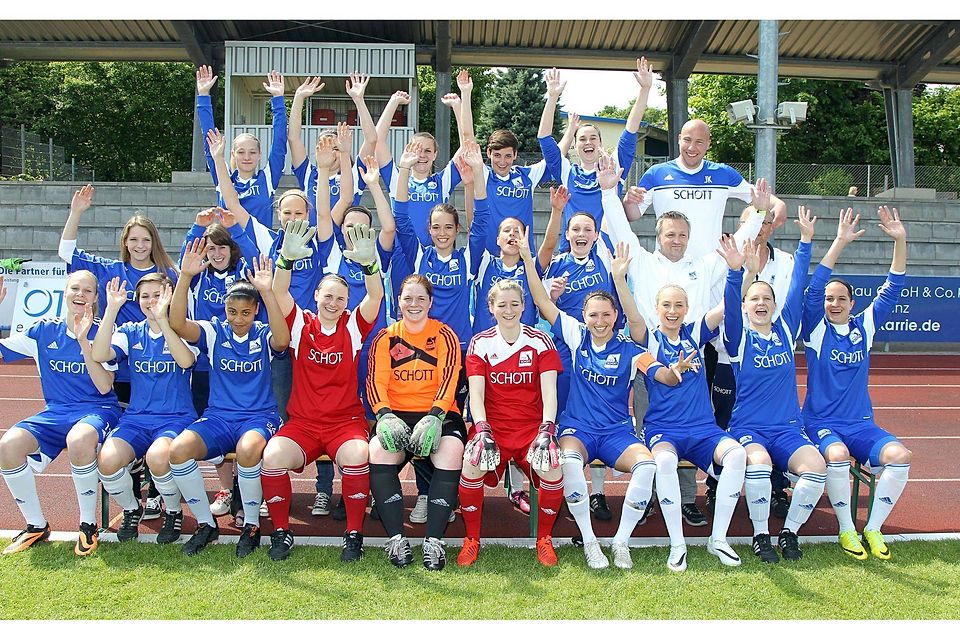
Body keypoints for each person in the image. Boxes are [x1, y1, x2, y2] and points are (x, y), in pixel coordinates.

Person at [522, 229, 691, 570]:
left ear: (615, 316)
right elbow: (542, 301)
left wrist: (674, 373)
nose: (599, 321)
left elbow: (661, 374)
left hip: (616, 432)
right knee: (569, 462)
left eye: (605, 315)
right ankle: (589, 541)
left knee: (647, 466)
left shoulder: (630, 348)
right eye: (593, 315)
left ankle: (620, 541)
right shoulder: (576, 335)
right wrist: (528, 258)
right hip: (579, 429)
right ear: (584, 317)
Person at [607, 174, 769, 527]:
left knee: (694, 427)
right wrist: (608, 190)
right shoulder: (643, 261)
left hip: (694, 357)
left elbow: (736, 251)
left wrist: (757, 212)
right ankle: (650, 496)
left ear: (689, 237)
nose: (676, 240)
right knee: (651, 429)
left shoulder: (702, 265)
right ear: (659, 236)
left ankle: (685, 498)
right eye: (670, 234)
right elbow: (620, 227)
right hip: (650, 359)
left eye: (682, 235)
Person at [260, 219, 384, 561]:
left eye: (340, 298)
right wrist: (286, 259)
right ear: (316, 296)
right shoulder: (301, 324)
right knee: (272, 457)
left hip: (344, 423)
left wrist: (370, 265)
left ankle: (354, 534)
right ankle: (281, 532)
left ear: (347, 302)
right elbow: (280, 292)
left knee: (358, 455)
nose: (333, 302)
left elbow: (375, 295)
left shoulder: (353, 326)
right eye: (327, 296)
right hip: (303, 424)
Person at [59, 183, 179, 519]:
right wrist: (76, 212)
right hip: (121, 368)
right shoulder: (112, 271)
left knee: (159, 428)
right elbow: (67, 253)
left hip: (159, 368)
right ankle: (135, 490)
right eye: (134, 239)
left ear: (154, 242)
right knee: (130, 431)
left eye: (145, 240)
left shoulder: (168, 274)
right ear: (124, 242)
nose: (140, 245)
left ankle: (157, 494)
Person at [801, 206, 911, 561]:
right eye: (829, 299)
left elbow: (893, 287)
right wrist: (839, 242)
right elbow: (813, 290)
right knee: (836, 455)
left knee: (900, 457)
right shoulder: (815, 330)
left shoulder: (865, 326)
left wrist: (900, 240)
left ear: (852, 303)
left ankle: (873, 528)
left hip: (861, 424)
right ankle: (847, 528)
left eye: (840, 299)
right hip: (821, 422)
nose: (833, 303)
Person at [717, 208, 826, 563]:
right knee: (760, 465)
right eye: (754, 299)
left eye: (767, 298)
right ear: (746, 306)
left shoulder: (785, 330)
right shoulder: (738, 339)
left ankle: (789, 532)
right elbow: (730, 304)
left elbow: (798, 284)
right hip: (749, 428)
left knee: (817, 468)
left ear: (775, 306)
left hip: (788, 429)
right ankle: (760, 534)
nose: (761, 303)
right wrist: (737, 272)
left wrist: (806, 241)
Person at [168, 251, 289, 557]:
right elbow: (177, 323)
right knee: (178, 451)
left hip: (259, 416)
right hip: (219, 417)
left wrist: (267, 291)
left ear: (256, 311)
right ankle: (206, 525)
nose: (238, 319)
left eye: (246, 313)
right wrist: (185, 277)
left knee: (248, 450)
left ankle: (251, 525)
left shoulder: (263, 333)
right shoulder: (214, 331)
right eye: (232, 311)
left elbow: (283, 341)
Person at [0, 271, 122, 555]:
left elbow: (105, 387)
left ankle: (87, 525)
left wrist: (83, 341)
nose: (80, 294)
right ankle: (35, 525)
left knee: (79, 439)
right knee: (8, 445)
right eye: (75, 288)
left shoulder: (106, 331)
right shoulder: (42, 330)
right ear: (64, 293)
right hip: (55, 413)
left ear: (96, 297)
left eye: (87, 290)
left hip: (99, 410)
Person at [458, 279, 565, 567]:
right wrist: (482, 429)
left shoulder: (540, 340)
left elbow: (550, 393)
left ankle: (544, 538)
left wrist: (547, 429)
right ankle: (472, 539)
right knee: (471, 465)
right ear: (491, 308)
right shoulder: (481, 343)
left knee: (553, 469)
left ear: (523, 306)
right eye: (502, 305)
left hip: (531, 429)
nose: (509, 310)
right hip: (493, 427)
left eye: (515, 304)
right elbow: (476, 395)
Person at [91, 275, 199, 545]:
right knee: (107, 461)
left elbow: (186, 361)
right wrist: (112, 309)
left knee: (157, 457)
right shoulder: (130, 331)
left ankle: (172, 511)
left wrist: (163, 320)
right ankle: (131, 509)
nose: (151, 301)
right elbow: (99, 354)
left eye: (157, 295)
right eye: (145, 296)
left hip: (175, 418)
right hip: (136, 419)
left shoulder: (184, 329)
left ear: (169, 297)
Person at [366, 274, 465, 570]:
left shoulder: (445, 334)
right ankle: (397, 539)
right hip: (395, 414)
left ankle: (434, 541)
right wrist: (384, 415)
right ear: (398, 301)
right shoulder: (385, 337)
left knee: (451, 451)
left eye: (421, 298)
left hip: (439, 413)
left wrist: (435, 416)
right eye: (408, 298)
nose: (414, 304)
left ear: (430, 302)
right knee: (378, 450)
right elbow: (375, 382)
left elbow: (449, 379)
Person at [707, 201, 793, 517]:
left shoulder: (786, 261)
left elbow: (788, 305)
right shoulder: (725, 257)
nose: (760, 228)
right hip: (729, 358)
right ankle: (717, 486)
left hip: (770, 358)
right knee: (724, 421)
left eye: (766, 222)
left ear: (773, 226)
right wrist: (748, 272)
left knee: (775, 422)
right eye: (753, 222)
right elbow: (723, 306)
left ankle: (776, 487)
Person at [178, 206, 262, 518]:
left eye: (222, 247)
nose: (216, 253)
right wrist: (196, 228)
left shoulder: (243, 273)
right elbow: (186, 262)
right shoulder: (198, 278)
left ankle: (247, 491)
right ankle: (227, 489)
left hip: (244, 365)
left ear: (231, 248)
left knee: (247, 430)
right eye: (210, 248)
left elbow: (257, 258)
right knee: (216, 430)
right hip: (206, 366)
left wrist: (235, 228)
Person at [539, 61, 653, 251]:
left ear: (600, 143)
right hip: (573, 253)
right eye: (582, 139)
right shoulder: (567, 172)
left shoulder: (613, 168)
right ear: (575, 145)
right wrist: (552, 98)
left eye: (593, 138)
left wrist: (645, 89)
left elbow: (631, 130)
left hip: (608, 253)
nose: (588, 142)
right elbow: (544, 139)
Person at [629, 119, 787, 256]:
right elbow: (632, 215)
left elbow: (757, 195)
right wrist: (629, 201)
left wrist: (778, 204)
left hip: (710, 268)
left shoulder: (722, 173)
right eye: (687, 140)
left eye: (699, 142)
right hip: (668, 264)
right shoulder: (656, 174)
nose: (692, 147)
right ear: (679, 139)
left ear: (708, 144)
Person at [196, 65, 287, 229]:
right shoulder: (224, 177)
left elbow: (280, 142)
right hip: (227, 245)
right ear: (233, 154)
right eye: (241, 152)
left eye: (252, 152)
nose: (247, 157)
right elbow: (209, 139)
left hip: (260, 246)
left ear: (259, 154)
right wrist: (203, 95)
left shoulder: (267, 179)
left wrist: (278, 99)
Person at [288, 73, 378, 213]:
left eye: (335, 148)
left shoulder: (353, 175)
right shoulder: (308, 174)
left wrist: (359, 100)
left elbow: (371, 140)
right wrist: (299, 97)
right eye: (324, 147)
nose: (330, 153)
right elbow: (293, 138)